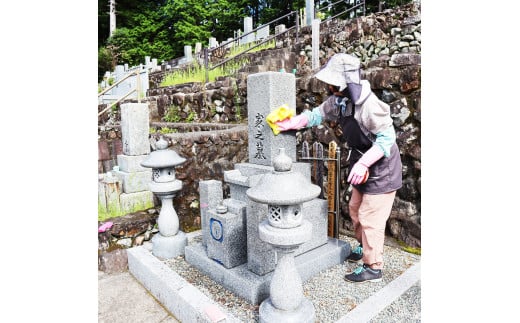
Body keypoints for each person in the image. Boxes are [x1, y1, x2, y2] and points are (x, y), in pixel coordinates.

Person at [268, 53, 402, 283]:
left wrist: (363, 163)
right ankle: (365, 246)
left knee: (371, 217)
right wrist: (292, 123)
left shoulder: (369, 105)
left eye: (333, 82)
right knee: (355, 209)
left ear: (345, 82)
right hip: (362, 163)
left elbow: (386, 139)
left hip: (382, 168)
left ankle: (373, 267)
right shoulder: (338, 101)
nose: (328, 86)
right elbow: (316, 115)